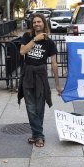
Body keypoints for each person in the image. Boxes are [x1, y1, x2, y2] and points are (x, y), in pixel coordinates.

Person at [19, 13, 61, 148]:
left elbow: (54, 64)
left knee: (39, 107)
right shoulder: (27, 36)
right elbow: (22, 51)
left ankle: (37, 134)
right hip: (28, 74)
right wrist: (35, 39)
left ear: (44, 24)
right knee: (30, 107)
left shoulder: (50, 42)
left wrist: (57, 84)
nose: (37, 24)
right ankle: (38, 136)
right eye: (35, 22)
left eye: (39, 22)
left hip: (41, 75)